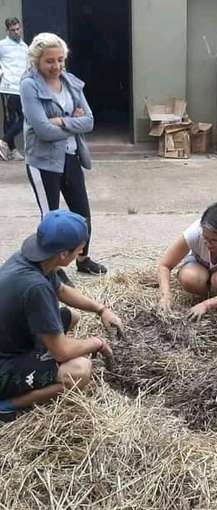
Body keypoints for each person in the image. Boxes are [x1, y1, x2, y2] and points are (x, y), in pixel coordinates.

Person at [0, 210, 122, 423]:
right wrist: (97, 343)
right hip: (4, 365)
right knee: (80, 370)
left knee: (71, 316)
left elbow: (62, 290)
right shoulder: (36, 287)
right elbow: (63, 351)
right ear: (63, 255)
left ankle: (37, 362)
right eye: (79, 248)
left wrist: (101, 309)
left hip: (13, 341)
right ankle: (7, 405)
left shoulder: (33, 260)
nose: (82, 250)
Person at [20, 32, 106, 277]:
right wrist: (71, 121)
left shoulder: (70, 82)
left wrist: (61, 122)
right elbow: (43, 131)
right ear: (37, 61)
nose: (56, 66)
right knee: (51, 220)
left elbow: (89, 121)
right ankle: (50, 268)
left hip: (71, 156)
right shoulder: (29, 85)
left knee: (82, 214)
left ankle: (83, 258)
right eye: (50, 61)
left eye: (60, 60)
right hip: (43, 161)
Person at [158, 202, 217, 320]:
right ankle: (206, 295)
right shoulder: (195, 232)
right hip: (201, 266)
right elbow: (165, 265)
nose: (209, 244)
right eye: (206, 239)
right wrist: (166, 295)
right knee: (189, 277)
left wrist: (207, 304)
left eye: (216, 240)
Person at [0, 17, 27, 161]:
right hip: (7, 87)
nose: (16, 32)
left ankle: (4, 142)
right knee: (9, 120)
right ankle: (12, 150)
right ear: (7, 31)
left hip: (22, 87)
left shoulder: (24, 47)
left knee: (25, 117)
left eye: (18, 29)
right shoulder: (2, 45)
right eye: (13, 30)